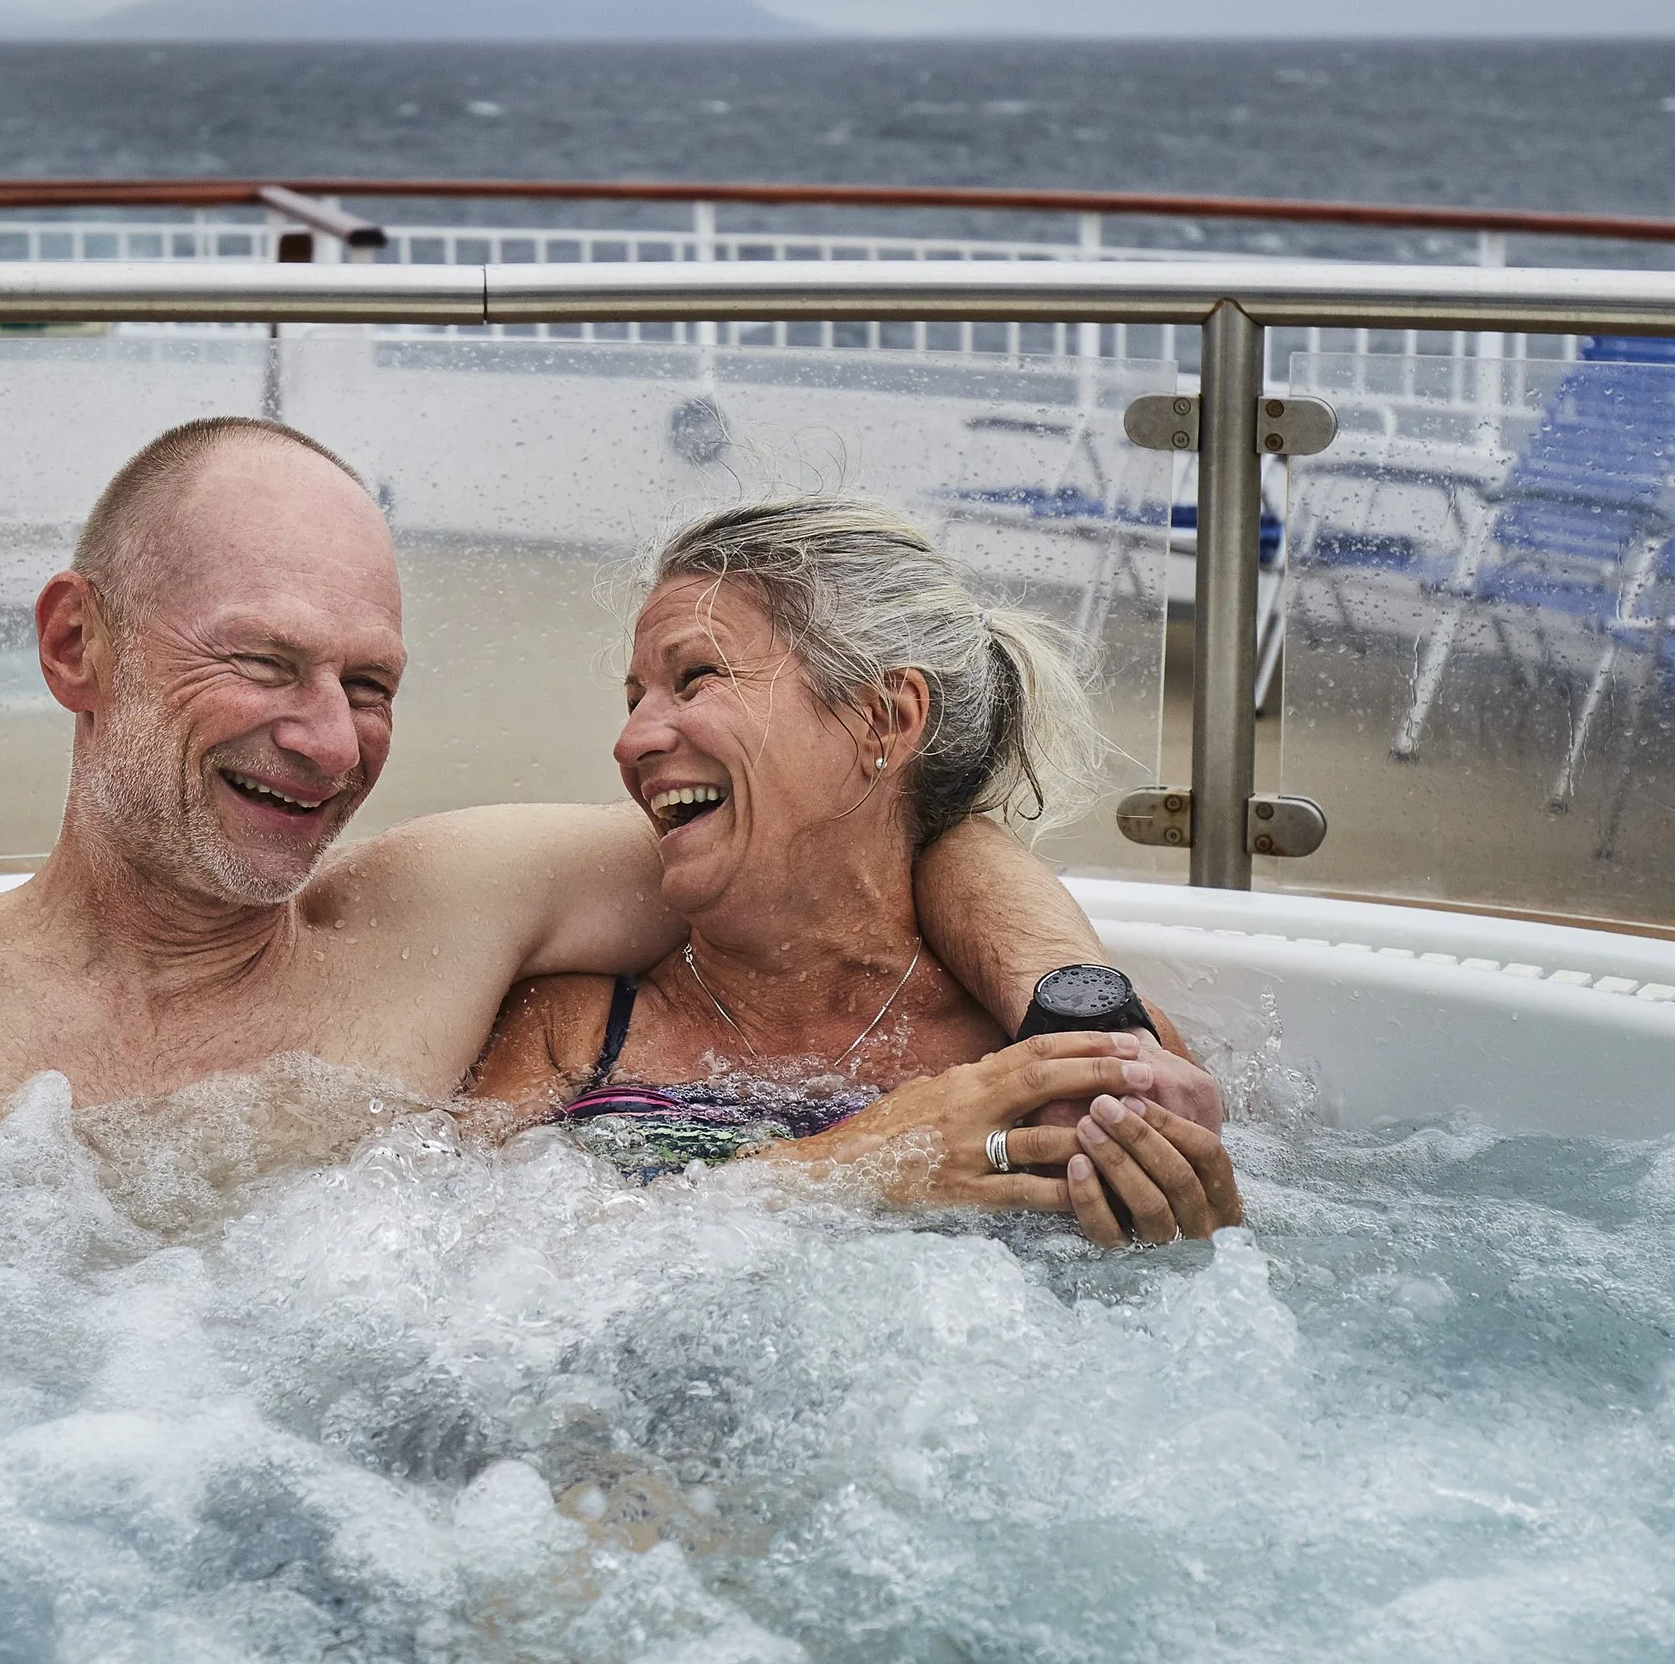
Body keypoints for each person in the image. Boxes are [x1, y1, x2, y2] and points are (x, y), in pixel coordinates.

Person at [0, 417, 1156, 1179]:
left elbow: (884, 835)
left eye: (369, 686)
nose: (326, 740)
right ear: (74, 645)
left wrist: (1083, 1020)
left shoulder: (443, 919)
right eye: (265, 664)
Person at [471, 497, 1240, 1247]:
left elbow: (1204, 1284)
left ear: (886, 717)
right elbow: (455, 1270)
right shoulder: (570, 1030)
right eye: (634, 699)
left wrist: (1181, 1224)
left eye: (697, 676)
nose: (630, 741)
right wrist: (851, 1164)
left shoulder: (1060, 1052)